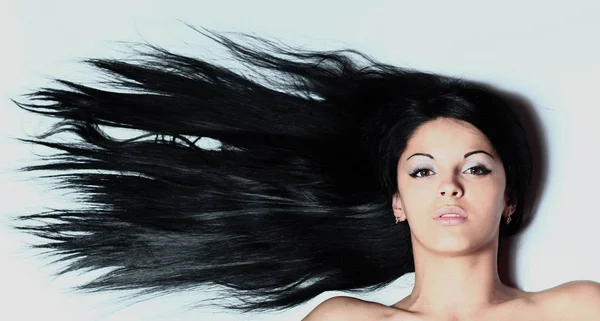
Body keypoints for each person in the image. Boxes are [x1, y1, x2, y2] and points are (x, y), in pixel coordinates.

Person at [9, 25, 600, 320]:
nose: (449, 185)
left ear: (511, 198)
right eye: (421, 172)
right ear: (397, 201)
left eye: (475, 167)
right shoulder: (345, 320)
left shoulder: (578, 308)